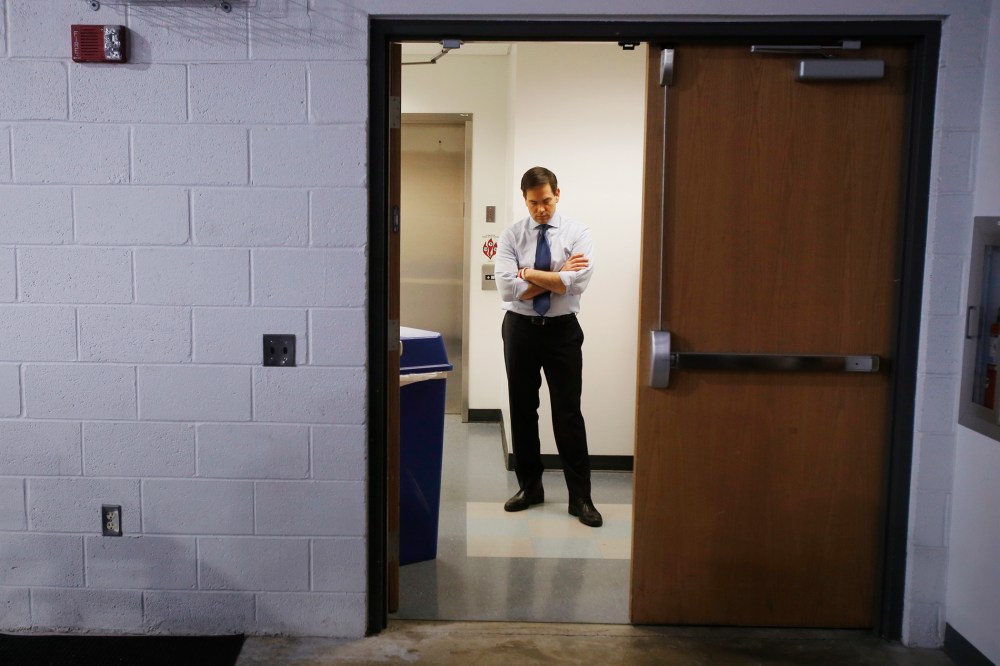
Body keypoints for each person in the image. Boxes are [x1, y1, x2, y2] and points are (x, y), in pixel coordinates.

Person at [494, 166, 602, 528]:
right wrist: (556, 279)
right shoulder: (511, 235)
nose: (541, 209)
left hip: (562, 332)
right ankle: (530, 487)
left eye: (547, 201)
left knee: (568, 413)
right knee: (523, 410)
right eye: (533, 203)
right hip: (520, 329)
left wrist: (527, 274)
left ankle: (581, 497)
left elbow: (578, 282)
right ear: (524, 200)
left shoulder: (577, 232)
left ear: (558, 194)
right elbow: (507, 290)